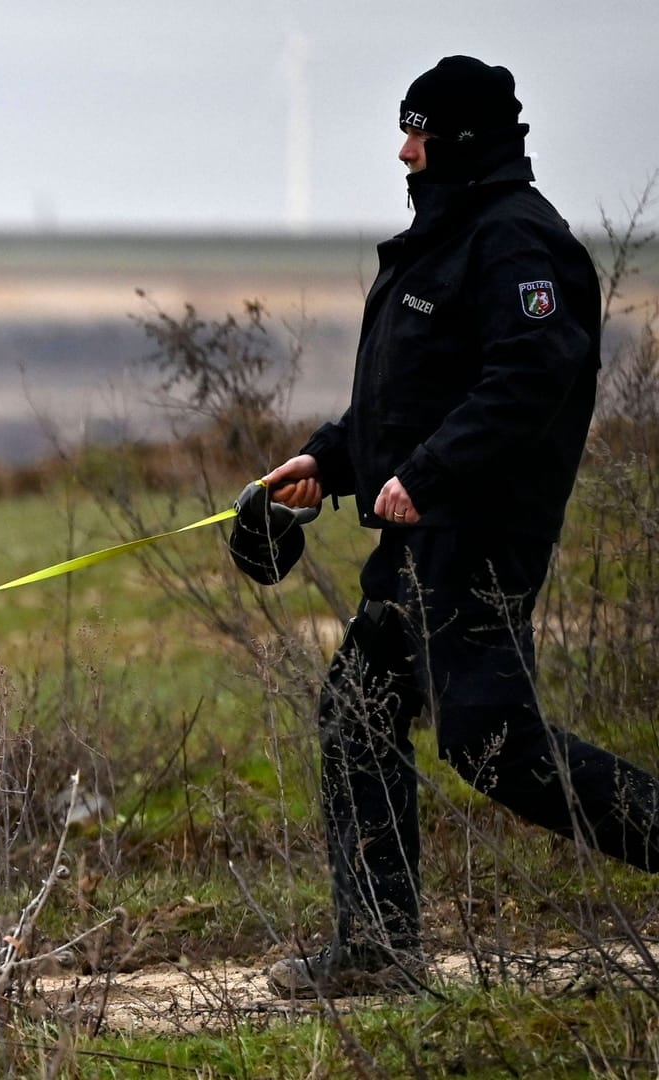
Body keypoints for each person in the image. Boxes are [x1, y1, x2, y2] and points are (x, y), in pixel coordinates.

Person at [258, 55, 659, 997]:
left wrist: (428, 476)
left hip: (479, 539)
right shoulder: (443, 241)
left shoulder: (521, 245)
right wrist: (330, 459)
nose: (405, 149)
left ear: (460, 139)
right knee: (355, 714)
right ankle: (379, 951)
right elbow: (408, 403)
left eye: (418, 131)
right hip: (420, 539)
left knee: (493, 745)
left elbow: (527, 380)